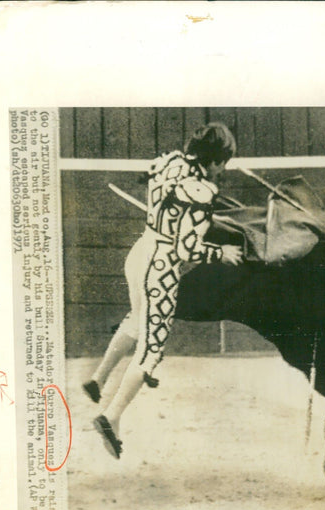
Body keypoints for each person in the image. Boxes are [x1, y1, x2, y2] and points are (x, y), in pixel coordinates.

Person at [83, 122, 243, 459]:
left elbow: (150, 177)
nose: (222, 169)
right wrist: (221, 253)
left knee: (135, 318)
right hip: (162, 269)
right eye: (222, 162)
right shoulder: (201, 191)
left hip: (141, 251)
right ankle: (110, 417)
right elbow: (187, 251)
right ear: (215, 161)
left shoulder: (168, 161)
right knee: (152, 349)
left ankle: (98, 378)